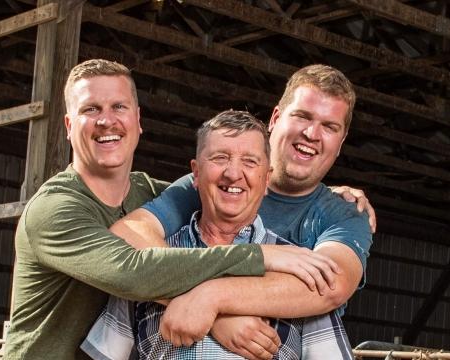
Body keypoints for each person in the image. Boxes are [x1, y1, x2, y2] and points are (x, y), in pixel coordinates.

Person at [4, 59, 354, 360]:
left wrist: (329, 195)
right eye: (90, 109)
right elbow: (133, 272)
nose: (106, 121)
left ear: (138, 120)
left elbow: (228, 191)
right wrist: (228, 298)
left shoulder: (153, 195)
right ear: (68, 125)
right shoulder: (55, 209)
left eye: (118, 107)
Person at [101, 64, 373, 359]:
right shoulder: (206, 187)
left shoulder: (343, 214)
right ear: (276, 118)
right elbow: (128, 235)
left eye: (329, 127)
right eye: (302, 117)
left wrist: (212, 298)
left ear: (342, 140)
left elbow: (329, 287)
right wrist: (216, 317)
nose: (311, 133)